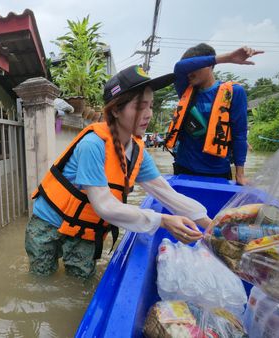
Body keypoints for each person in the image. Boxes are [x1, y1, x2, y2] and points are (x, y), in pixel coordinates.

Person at [25, 65, 213, 279]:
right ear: (115, 110)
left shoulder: (136, 151)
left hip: (84, 227)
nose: (148, 115)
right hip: (48, 221)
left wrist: (210, 225)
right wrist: (162, 220)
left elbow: (167, 193)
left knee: (81, 279)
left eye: (150, 106)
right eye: (140, 107)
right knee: (40, 280)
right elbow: (105, 206)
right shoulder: (93, 145)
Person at [164, 45, 263, 185]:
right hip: (184, 168)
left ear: (209, 66)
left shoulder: (234, 92)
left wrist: (240, 174)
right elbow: (179, 67)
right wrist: (228, 58)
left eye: (195, 66)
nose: (188, 73)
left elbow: (239, 135)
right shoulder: (185, 89)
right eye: (189, 67)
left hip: (218, 171)